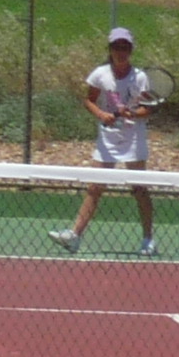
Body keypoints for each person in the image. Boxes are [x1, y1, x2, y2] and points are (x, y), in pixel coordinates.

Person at [51, 25, 158, 255]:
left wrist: (133, 114)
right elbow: (89, 100)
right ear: (110, 49)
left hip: (133, 139)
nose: (121, 52)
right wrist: (101, 114)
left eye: (125, 47)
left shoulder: (140, 77)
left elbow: (148, 109)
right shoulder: (100, 74)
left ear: (131, 50)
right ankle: (75, 236)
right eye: (117, 47)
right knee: (95, 187)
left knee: (139, 188)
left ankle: (148, 239)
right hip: (107, 140)